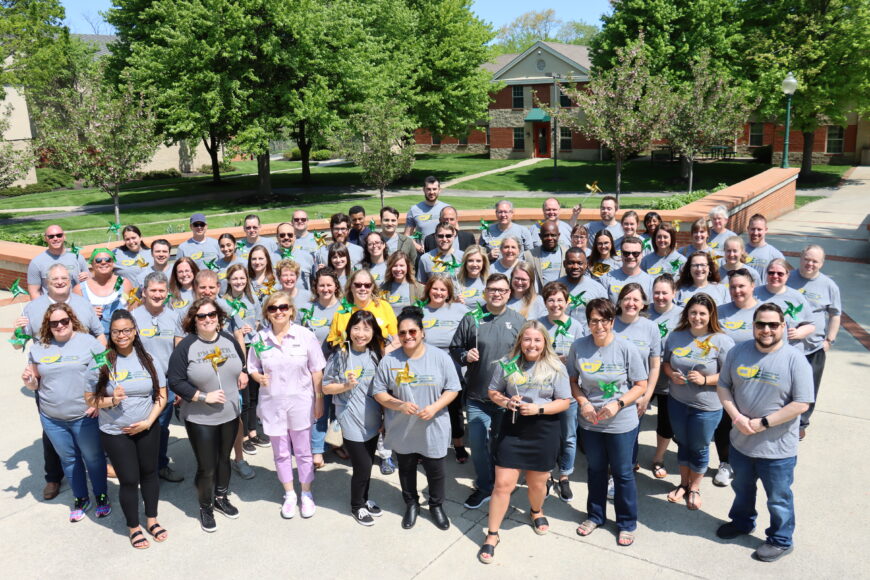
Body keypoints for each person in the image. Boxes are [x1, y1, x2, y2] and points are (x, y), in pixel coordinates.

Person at [715, 303, 813, 562]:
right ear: (754, 326)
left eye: (772, 324)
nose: (766, 329)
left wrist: (764, 423)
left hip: (777, 449)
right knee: (742, 489)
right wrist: (736, 417)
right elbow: (723, 387)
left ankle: (781, 539)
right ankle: (742, 522)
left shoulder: (795, 360)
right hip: (741, 442)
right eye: (761, 324)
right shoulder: (737, 352)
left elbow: (802, 403)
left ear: (783, 326)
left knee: (778, 498)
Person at [478, 321, 571, 563]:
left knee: (537, 484)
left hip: (544, 431)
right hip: (514, 429)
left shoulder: (555, 367)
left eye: (537, 340)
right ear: (520, 341)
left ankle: (536, 511)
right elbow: (493, 392)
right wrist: (506, 402)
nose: (532, 344)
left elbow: (564, 401)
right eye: (527, 339)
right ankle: (492, 535)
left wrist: (538, 408)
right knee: (502, 485)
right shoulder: (508, 364)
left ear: (544, 343)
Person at [373, 307, 461, 530]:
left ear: (422, 332)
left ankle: (436, 505)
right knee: (406, 468)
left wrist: (434, 407)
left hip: (433, 425)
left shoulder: (440, 357)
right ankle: (411, 503)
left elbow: (452, 388)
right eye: (402, 333)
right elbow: (379, 392)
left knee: (435, 470)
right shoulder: (389, 360)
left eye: (412, 331)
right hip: (402, 427)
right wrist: (399, 404)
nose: (407, 336)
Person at [85, 310, 167, 549]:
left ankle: (152, 520)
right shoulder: (102, 360)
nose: (122, 335)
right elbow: (90, 399)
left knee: (150, 473)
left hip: (147, 427)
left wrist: (149, 421)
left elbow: (161, 395)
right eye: (116, 331)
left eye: (126, 330)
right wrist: (112, 401)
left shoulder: (148, 358)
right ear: (111, 334)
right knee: (129, 479)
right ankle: (134, 527)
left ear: (134, 331)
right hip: (115, 431)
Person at [568, 298, 646, 546]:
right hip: (591, 422)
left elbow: (640, 385)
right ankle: (595, 516)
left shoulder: (626, 348)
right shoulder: (578, 347)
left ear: (612, 321)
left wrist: (619, 404)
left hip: (621, 423)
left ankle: (626, 523)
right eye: (593, 320)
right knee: (596, 470)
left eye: (604, 320)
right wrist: (584, 403)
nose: (599, 325)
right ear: (587, 322)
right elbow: (573, 382)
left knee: (623, 473)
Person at [22, 303, 110, 522]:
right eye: (54, 323)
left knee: (93, 458)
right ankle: (81, 499)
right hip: (52, 418)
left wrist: (97, 402)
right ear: (48, 326)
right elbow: (35, 383)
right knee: (69, 460)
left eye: (64, 321)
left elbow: (106, 374)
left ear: (72, 320)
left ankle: (101, 496)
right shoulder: (39, 348)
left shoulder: (89, 343)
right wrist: (29, 381)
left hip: (84, 416)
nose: (60, 326)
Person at [167, 297, 248, 532]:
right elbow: (175, 380)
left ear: (219, 317)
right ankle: (205, 506)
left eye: (212, 314)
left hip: (230, 413)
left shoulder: (229, 340)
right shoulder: (186, 346)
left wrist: (242, 372)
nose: (208, 319)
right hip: (200, 417)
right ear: (194, 320)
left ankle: (221, 498)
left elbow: (239, 362)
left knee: (224, 459)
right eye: (202, 316)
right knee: (207, 466)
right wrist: (203, 396)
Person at [247, 292, 326, 519]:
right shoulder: (259, 340)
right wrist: (257, 377)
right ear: (267, 314)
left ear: (291, 310)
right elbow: (252, 366)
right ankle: (290, 493)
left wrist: (319, 398)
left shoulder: (305, 336)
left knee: (303, 451)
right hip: (273, 403)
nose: (278, 312)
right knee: (280, 453)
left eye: (283, 307)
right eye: (273, 308)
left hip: (301, 402)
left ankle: (307, 493)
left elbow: (317, 370)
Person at [450, 273, 525, 510]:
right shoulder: (472, 318)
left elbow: (527, 355)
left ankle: (502, 485)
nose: (497, 294)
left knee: (502, 445)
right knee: (480, 445)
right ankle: (484, 486)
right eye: (492, 289)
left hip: (506, 398)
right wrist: (465, 355)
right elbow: (456, 347)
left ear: (509, 293)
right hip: (476, 395)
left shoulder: (519, 320)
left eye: (502, 290)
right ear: (485, 292)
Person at [662, 293, 735, 511]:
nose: (697, 317)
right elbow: (666, 363)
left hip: (706, 407)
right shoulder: (676, 337)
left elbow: (730, 375)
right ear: (687, 314)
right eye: (693, 312)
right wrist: (672, 374)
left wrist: (705, 379)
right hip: (677, 401)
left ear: (711, 315)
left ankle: (694, 487)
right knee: (682, 443)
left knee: (700, 447)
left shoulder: (722, 340)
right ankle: (683, 483)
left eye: (702, 313)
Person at [322, 311, 386, 525]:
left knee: (366, 463)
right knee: (363, 466)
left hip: (373, 418)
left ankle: (364, 499)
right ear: (348, 330)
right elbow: (326, 387)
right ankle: (356, 506)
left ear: (373, 331)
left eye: (366, 328)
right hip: (350, 417)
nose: (361, 333)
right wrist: (345, 386)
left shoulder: (376, 353)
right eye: (356, 328)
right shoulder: (340, 355)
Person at [131, 272, 184, 483]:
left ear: (167, 293)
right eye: (153, 290)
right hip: (139, 384)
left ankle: (160, 465)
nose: (157, 294)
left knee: (161, 428)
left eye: (162, 290)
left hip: (166, 385)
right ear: (144, 292)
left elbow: (179, 353)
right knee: (139, 427)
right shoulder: (132, 317)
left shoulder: (174, 317)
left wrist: (179, 386)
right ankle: (139, 469)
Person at [786, 245, 841, 440]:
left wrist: (829, 340)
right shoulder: (788, 278)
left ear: (822, 263)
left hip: (814, 348)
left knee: (809, 387)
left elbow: (835, 314)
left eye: (814, 261)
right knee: (785, 385)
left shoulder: (828, 286)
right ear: (800, 258)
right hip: (788, 347)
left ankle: (802, 422)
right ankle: (784, 419)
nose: (810, 264)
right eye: (807, 259)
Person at [713, 268, 761, 487]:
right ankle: (726, 463)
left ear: (752, 286)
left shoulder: (764, 311)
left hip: (756, 381)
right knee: (725, 425)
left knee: (752, 423)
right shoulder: (720, 311)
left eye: (741, 286)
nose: (737, 290)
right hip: (725, 380)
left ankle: (753, 463)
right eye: (733, 287)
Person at [538, 281, 585, 501]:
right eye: (551, 300)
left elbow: (584, 356)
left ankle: (564, 476)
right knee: (546, 436)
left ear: (567, 302)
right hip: (543, 390)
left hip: (568, 390)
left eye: (560, 300)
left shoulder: (576, 326)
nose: (555, 304)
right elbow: (529, 352)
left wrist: (571, 359)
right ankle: (546, 474)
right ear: (545, 302)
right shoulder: (538, 325)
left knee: (568, 436)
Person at [613, 284, 662, 476]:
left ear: (643, 304)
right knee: (613, 437)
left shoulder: (651, 328)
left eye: (635, 299)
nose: (630, 303)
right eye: (626, 298)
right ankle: (612, 472)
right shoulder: (610, 324)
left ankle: (627, 471)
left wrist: (647, 396)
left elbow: (655, 365)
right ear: (619, 302)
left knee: (631, 437)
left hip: (637, 394)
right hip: (611, 392)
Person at [420, 275, 469, 463]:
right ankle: (424, 445)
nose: (439, 293)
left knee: (454, 408)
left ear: (449, 292)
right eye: (435, 289)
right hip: (427, 365)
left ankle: (458, 443)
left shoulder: (459, 310)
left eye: (443, 289)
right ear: (428, 290)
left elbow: (473, 331)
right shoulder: (420, 311)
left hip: (453, 366)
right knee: (428, 406)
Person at [223, 263, 264, 474]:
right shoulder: (225, 302)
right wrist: (239, 331)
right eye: (235, 278)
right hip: (236, 349)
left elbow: (257, 321)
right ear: (228, 280)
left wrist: (252, 328)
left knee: (255, 393)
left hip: (252, 346)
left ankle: (253, 430)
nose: (239, 282)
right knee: (244, 397)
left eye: (242, 278)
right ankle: (245, 435)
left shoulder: (252, 298)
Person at [647, 274, 683, 479]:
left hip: (669, 377)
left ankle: (658, 458)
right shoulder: (644, 313)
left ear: (674, 293)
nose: (660, 297)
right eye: (657, 293)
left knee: (665, 422)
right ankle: (630, 457)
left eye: (665, 293)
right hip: (645, 377)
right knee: (635, 417)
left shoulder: (682, 315)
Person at [328, 269, 399, 352]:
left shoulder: (384, 306)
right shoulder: (342, 310)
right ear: (351, 286)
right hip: (350, 359)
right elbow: (333, 341)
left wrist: (380, 356)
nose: (363, 288)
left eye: (367, 285)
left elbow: (397, 340)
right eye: (358, 285)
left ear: (372, 287)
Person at [754, 258, 815, 350]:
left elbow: (811, 325)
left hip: (789, 350)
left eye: (780, 273)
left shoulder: (797, 297)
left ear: (787, 275)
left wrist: (799, 332)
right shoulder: (754, 294)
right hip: (758, 349)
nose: (775, 276)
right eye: (771, 273)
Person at [27, 224, 89, 298]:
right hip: (51, 307)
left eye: (59, 235)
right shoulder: (37, 262)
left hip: (76, 305)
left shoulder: (77, 257)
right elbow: (34, 292)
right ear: (45, 238)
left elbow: (89, 281)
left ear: (64, 237)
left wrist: (88, 277)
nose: (55, 238)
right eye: (51, 236)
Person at [82, 248, 132, 335]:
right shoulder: (81, 289)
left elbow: (133, 310)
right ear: (92, 264)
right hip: (96, 339)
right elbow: (75, 317)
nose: (103, 262)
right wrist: (88, 313)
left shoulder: (125, 283)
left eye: (108, 260)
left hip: (122, 338)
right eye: (98, 260)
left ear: (113, 263)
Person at [597, 237, 653, 304]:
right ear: (621, 254)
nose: (630, 256)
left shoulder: (651, 282)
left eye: (635, 253)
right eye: (626, 253)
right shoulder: (606, 279)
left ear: (641, 255)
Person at [556, 247, 607, 321]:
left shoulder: (598, 288)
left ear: (586, 265)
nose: (575, 267)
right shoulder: (555, 287)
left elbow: (605, 315)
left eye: (580, 263)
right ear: (564, 264)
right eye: (571, 263)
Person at [404, 176, 449, 253]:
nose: (431, 192)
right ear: (424, 190)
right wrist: (418, 247)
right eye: (428, 189)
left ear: (439, 190)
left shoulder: (447, 209)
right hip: (422, 253)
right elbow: (407, 235)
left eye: (434, 189)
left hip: (443, 253)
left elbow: (455, 231)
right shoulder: (414, 210)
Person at [523, 221, 566, 289]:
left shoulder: (566, 253)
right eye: (546, 235)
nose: (550, 238)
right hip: (540, 297)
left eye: (553, 235)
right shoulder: (529, 255)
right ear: (540, 236)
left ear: (558, 235)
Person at [271, 222, 315, 290]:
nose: (286, 237)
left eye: (290, 235)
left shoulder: (307, 257)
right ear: (277, 237)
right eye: (282, 235)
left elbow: (314, 283)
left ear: (294, 237)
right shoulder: (270, 258)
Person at [380, 251, 424, 318]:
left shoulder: (418, 288)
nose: (398, 269)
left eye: (401, 265)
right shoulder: (383, 289)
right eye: (395, 266)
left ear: (407, 267)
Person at [745, 214, 784, 280]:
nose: (755, 233)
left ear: (766, 230)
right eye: (753, 229)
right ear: (748, 229)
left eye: (759, 229)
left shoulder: (775, 255)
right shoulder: (739, 252)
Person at [455, 245, 489, 310]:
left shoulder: (490, 282)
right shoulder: (455, 282)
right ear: (465, 263)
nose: (474, 264)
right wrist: (454, 303)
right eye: (470, 260)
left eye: (478, 261)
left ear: (484, 263)